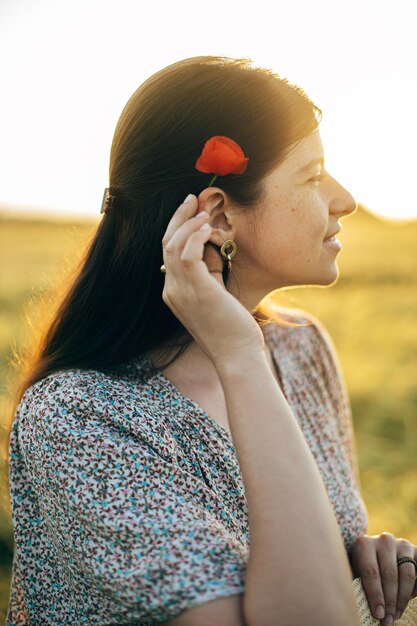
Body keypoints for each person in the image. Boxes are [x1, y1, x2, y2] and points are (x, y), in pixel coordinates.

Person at [5, 56, 416, 625]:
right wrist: (240, 355)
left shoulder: (300, 350)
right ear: (219, 215)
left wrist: (356, 562)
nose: (344, 199)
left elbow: (308, 563)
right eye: (313, 174)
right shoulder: (81, 418)